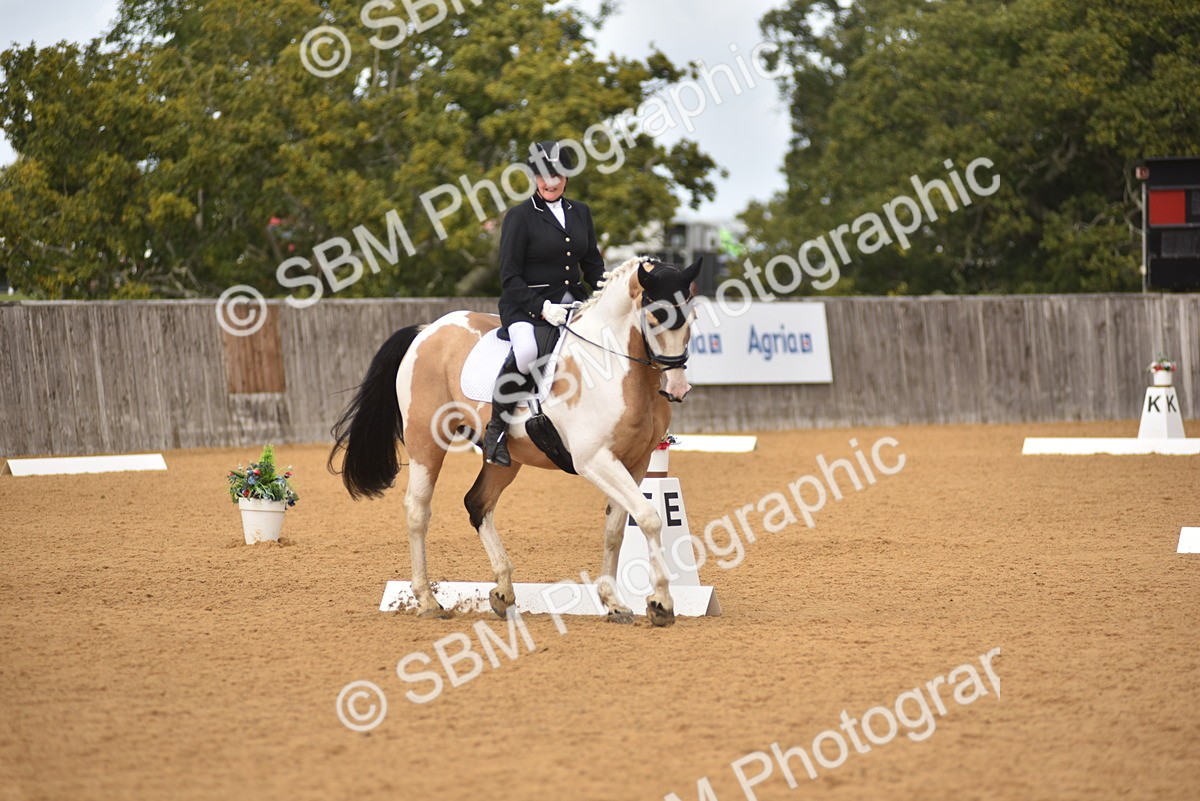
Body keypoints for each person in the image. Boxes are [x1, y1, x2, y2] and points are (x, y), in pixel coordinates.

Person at [482, 140, 605, 466]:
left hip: (573, 303)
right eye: (543, 175)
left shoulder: (580, 212)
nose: (550, 182)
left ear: (566, 178)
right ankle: (496, 429)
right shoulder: (519, 217)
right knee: (526, 352)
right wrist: (541, 308)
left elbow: (592, 264)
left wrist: (605, 289)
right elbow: (509, 277)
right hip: (526, 306)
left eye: (557, 175)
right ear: (534, 177)